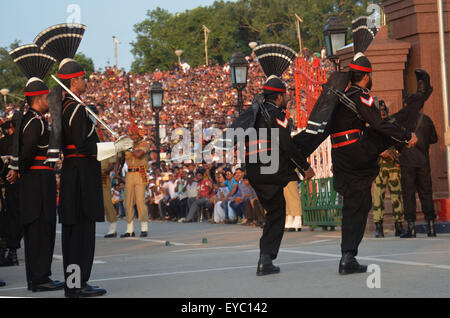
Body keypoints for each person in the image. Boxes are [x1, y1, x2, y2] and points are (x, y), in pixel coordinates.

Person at [243, 47, 315, 276]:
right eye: (286, 95)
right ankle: (266, 259)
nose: (287, 99)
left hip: (254, 171)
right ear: (279, 96)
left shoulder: (253, 113)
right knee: (277, 213)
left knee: (275, 210)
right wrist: (304, 167)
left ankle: (266, 258)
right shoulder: (277, 114)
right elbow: (286, 144)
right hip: (271, 169)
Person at [8, 45, 64, 292]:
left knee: (37, 231)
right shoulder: (35, 122)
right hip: (39, 181)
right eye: (46, 98)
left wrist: (18, 168)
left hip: (34, 181)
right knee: (42, 229)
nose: (48, 102)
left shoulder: (28, 119)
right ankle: (40, 278)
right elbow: (29, 148)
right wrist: (20, 168)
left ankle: (37, 277)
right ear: (38, 98)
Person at [57, 58, 107, 297]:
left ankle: (76, 284)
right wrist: (113, 148)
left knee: (76, 232)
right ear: (73, 81)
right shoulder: (75, 108)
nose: (85, 81)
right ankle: (77, 286)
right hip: (80, 174)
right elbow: (83, 145)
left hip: (74, 172)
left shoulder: (66, 106)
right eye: (83, 78)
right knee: (80, 233)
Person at [399, 113, 438, 238]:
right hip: (423, 162)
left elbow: (396, 141)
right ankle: (431, 228)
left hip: (407, 162)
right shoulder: (426, 119)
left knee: (408, 194)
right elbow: (434, 139)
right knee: (426, 193)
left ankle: (411, 229)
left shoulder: (402, 120)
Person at [372, 102, 405, 238]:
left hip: (393, 165)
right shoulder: (373, 125)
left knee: (397, 196)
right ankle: (378, 226)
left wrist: (396, 152)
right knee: (378, 196)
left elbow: (402, 140)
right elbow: (369, 143)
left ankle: (399, 225)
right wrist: (380, 152)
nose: (382, 113)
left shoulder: (393, 124)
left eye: (384, 111)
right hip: (379, 166)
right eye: (380, 111)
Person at [0, 118, 22, 268]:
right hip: (24, 185)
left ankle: (7, 252)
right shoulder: (23, 141)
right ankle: (12, 252)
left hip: (9, 185)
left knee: (9, 218)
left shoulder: (4, 143)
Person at [121, 126, 150, 238]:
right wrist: (117, 171)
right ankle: (129, 229)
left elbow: (138, 154)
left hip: (140, 172)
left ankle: (144, 228)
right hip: (129, 173)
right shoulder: (127, 144)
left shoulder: (144, 143)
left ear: (139, 135)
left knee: (140, 200)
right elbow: (121, 158)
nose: (133, 137)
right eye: (132, 135)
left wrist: (129, 148)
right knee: (128, 201)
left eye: (135, 135)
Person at [102, 157, 118, 238]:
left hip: (103, 176)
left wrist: (105, 171)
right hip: (91, 177)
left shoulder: (107, 147)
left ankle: (113, 227)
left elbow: (112, 165)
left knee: (107, 203)